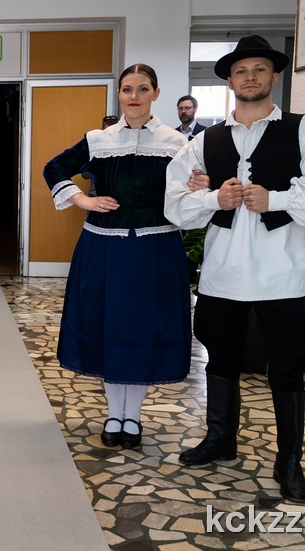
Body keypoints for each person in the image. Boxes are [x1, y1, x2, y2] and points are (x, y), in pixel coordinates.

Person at [164, 35, 305, 503]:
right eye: (241, 71)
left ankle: (289, 463)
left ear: (274, 76)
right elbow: (174, 202)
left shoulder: (303, 130)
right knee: (221, 359)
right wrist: (214, 198)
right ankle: (220, 440)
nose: (250, 77)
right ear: (229, 81)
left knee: (287, 367)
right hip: (223, 274)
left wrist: (278, 199)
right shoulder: (205, 141)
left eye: (259, 69)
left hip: (281, 275)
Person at [43, 64, 192, 450]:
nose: (134, 97)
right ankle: (113, 414)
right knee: (110, 327)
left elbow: (193, 186)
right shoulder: (98, 140)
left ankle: (133, 416)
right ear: (119, 94)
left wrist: (200, 184)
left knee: (142, 330)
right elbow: (54, 168)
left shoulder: (177, 143)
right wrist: (83, 200)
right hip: (104, 248)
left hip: (155, 250)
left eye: (142, 89)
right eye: (127, 89)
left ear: (156, 93)